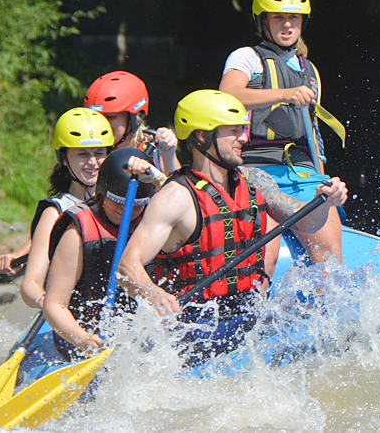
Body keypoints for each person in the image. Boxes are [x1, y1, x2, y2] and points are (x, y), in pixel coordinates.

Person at [116, 90, 347, 367]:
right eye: (234, 131)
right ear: (203, 137)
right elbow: (127, 266)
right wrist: (157, 296)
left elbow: (306, 220)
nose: (244, 138)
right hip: (196, 335)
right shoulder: (176, 197)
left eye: (244, 130)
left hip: (247, 323)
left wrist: (324, 201)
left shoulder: (252, 179)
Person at [218, 0, 346, 267]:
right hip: (255, 170)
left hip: (302, 172)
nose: (287, 25)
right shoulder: (247, 58)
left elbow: (313, 135)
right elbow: (227, 96)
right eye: (278, 17)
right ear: (263, 20)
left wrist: (321, 180)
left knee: (330, 262)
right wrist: (284, 95)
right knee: (266, 260)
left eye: (294, 18)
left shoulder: (309, 70)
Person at [42, 148, 162, 358]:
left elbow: (180, 195)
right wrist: (85, 340)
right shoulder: (78, 232)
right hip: (81, 336)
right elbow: (54, 304)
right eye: (118, 202)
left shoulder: (152, 221)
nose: (126, 210)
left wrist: (158, 177)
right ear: (102, 193)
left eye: (135, 206)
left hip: (132, 332)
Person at [0, 108, 112, 310]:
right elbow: (30, 286)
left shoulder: (119, 203)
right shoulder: (55, 212)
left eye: (99, 153)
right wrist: (52, 307)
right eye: (82, 154)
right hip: (73, 317)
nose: (92, 162)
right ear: (64, 159)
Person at [83, 70, 181, 176]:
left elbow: (179, 188)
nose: (102, 123)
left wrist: (168, 155)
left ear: (136, 117)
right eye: (96, 117)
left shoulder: (155, 151)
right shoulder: (86, 153)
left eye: (110, 116)